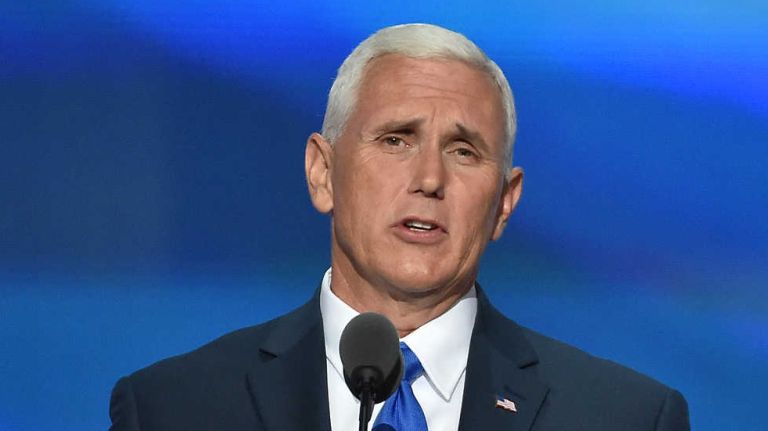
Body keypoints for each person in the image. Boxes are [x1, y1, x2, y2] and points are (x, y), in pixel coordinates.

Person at [109, 23, 690, 431]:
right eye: (396, 140)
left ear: (504, 204)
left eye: (464, 151)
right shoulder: (172, 408)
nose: (430, 178)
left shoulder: (626, 418)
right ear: (323, 172)